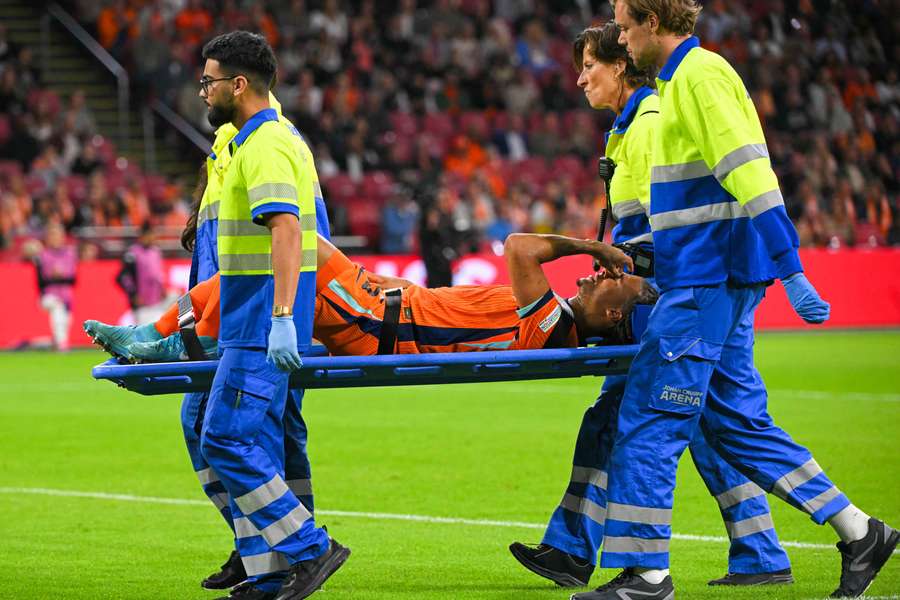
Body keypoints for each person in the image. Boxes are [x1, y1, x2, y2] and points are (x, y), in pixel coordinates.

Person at [573, 2, 899, 599]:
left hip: (705, 282)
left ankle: (646, 575)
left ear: (651, 20)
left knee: (647, 418)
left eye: (623, 24)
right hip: (700, 275)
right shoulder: (677, 88)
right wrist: (643, 262)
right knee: (735, 426)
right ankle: (862, 532)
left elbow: (750, 172)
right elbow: (691, 203)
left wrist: (790, 265)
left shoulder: (700, 77)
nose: (620, 35)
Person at [509, 23, 793, 590]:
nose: (581, 78)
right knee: (696, 423)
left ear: (620, 66)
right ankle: (759, 551)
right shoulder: (629, 128)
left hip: (672, 294)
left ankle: (588, 553)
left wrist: (634, 280)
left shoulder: (647, 125)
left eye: (588, 65)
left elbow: (662, 230)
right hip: (677, 289)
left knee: (662, 422)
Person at [198, 31, 343, 600]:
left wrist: (283, 316)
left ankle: (310, 548)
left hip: (261, 323)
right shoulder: (255, 142)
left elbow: (285, 229)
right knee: (250, 441)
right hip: (250, 322)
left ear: (238, 84)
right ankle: (270, 573)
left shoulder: (265, 144)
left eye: (208, 82)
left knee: (226, 439)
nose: (202, 92)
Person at [87, 231, 647, 361]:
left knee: (296, 241)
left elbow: (521, 246)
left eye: (612, 277)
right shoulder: (554, 320)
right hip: (384, 311)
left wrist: (591, 245)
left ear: (616, 312)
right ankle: (157, 335)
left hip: (382, 326)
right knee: (261, 261)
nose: (599, 271)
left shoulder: (554, 327)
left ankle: (174, 341)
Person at [25, 222, 77, 351]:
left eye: (58, 235)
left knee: (64, 322)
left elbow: (73, 280)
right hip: (48, 296)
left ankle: (54, 343)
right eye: (52, 235)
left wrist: (61, 275)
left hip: (66, 296)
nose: (55, 238)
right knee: (57, 307)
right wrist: (52, 276)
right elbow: (40, 281)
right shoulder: (42, 255)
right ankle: (62, 346)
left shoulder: (70, 254)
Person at [116, 222, 168, 324]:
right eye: (150, 235)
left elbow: (157, 274)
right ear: (143, 236)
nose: (152, 237)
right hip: (141, 303)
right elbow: (123, 277)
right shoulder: (132, 253)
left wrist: (162, 289)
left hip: (156, 301)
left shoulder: (156, 251)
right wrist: (133, 294)